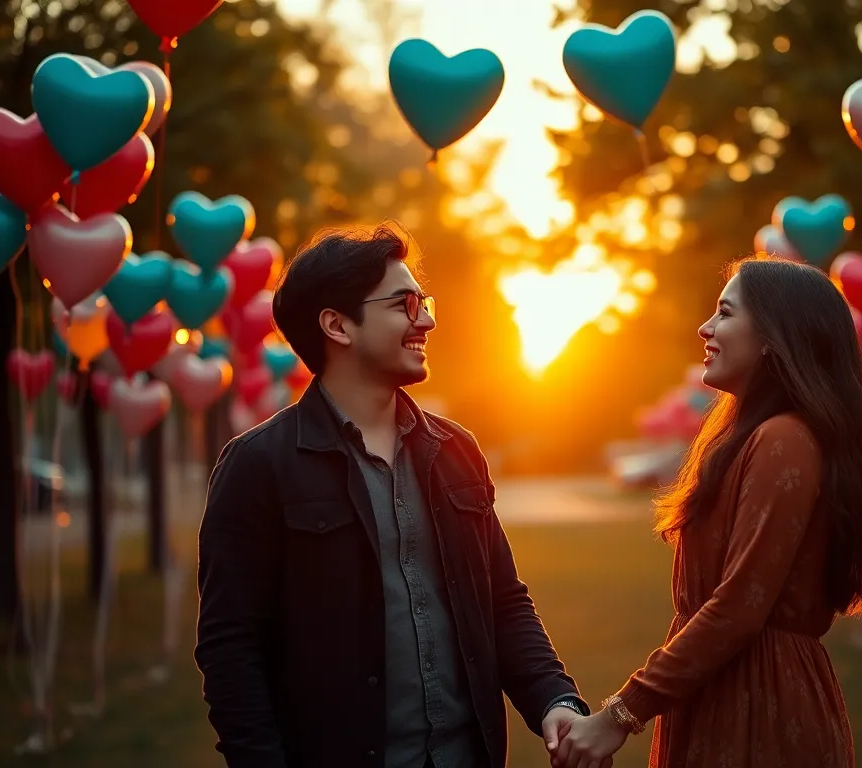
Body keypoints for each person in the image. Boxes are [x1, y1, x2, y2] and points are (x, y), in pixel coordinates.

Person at [194, 223, 589, 768]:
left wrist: (554, 699)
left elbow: (501, 600)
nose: (425, 319)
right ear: (337, 325)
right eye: (404, 304)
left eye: (423, 302)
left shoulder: (457, 452)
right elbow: (230, 650)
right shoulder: (258, 466)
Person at [554, 255, 862, 768]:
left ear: (773, 337)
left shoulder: (785, 439)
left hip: (760, 705)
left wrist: (619, 716)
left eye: (724, 313)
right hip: (724, 688)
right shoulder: (755, 438)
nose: (705, 327)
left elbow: (740, 608)